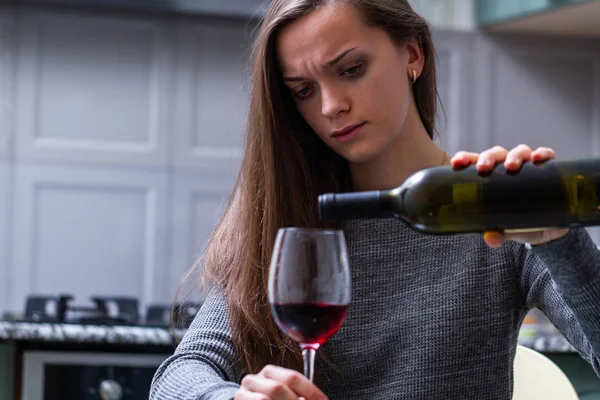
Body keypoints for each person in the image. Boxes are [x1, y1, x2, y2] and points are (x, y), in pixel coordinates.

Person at [149, 0, 600, 399]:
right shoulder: (286, 221)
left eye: (350, 70)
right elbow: (178, 377)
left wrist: (556, 237)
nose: (330, 106)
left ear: (412, 54)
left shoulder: (493, 208)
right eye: (303, 91)